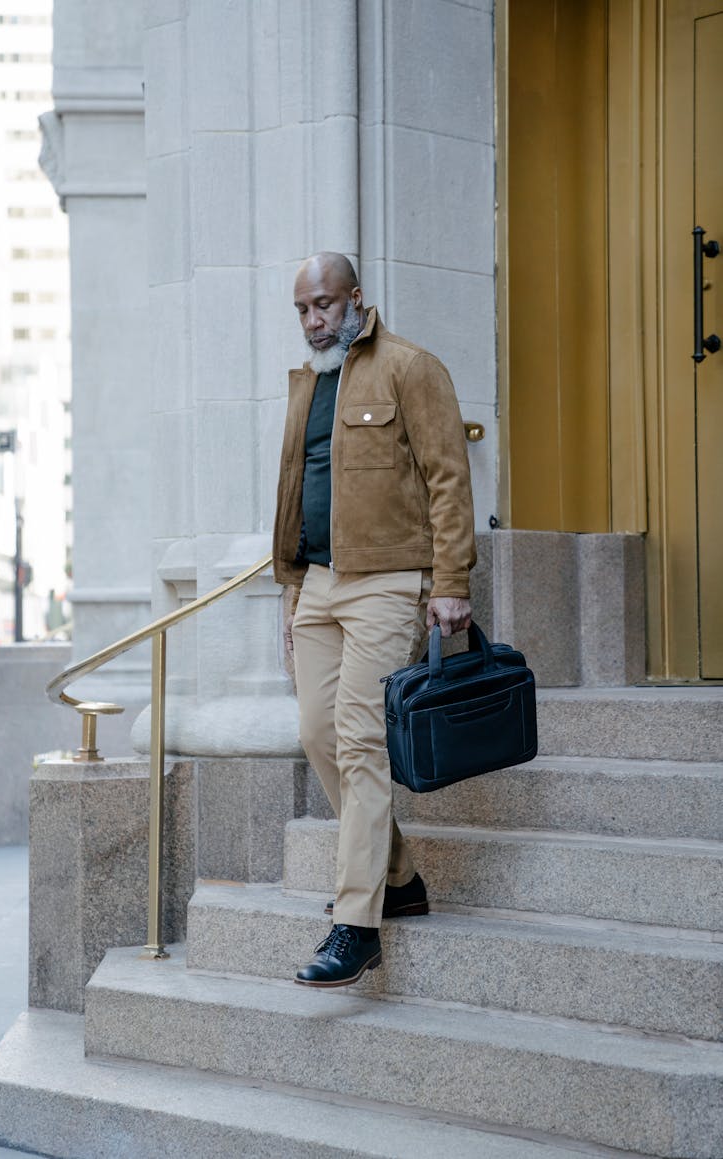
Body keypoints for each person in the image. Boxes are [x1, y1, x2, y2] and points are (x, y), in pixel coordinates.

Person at [273, 252, 476, 987]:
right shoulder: (308, 384)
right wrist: (290, 591)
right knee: (317, 734)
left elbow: (449, 476)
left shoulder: (410, 367)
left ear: (356, 298)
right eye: (302, 309)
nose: (313, 319)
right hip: (318, 585)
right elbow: (297, 491)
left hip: (388, 582)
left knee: (360, 740)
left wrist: (449, 580)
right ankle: (401, 876)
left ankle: (357, 925)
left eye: (323, 303)